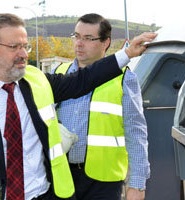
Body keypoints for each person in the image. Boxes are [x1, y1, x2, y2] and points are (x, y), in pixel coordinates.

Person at [0, 13, 155, 200]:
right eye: (14, 47)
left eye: (25, 46)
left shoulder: (37, 83)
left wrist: (126, 54)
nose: (23, 54)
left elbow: (84, 80)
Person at [51, 13, 149, 200]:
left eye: (88, 38)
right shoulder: (59, 73)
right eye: (76, 36)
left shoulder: (123, 79)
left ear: (106, 43)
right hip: (61, 175)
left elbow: (136, 132)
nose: (79, 43)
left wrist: (137, 183)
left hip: (103, 182)